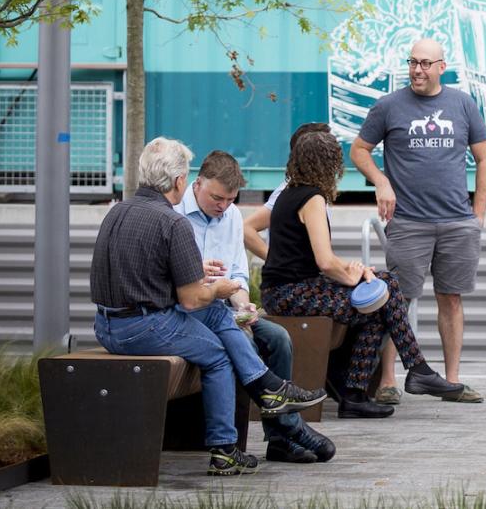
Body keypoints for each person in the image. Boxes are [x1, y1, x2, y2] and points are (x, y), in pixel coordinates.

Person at [91, 137, 323, 476]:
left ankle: (267, 388)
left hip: (107, 323)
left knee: (216, 314)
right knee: (218, 354)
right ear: (182, 181)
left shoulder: (118, 211)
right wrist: (221, 288)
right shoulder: (172, 222)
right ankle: (227, 446)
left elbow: (139, 270)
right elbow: (190, 299)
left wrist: (201, 278)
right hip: (141, 327)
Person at [262, 127, 462, 416]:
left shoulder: (290, 193)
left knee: (383, 290)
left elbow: (317, 259)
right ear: (329, 163)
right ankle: (411, 370)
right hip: (289, 294)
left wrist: (358, 270)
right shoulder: (312, 199)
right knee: (381, 300)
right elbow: (324, 262)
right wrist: (353, 277)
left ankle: (365, 391)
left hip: (290, 289)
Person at [350, 37, 486, 403]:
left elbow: (484, 157)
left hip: (457, 222)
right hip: (409, 221)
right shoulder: (388, 107)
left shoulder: (462, 103)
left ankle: (452, 381)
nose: (417, 69)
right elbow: (359, 150)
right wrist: (381, 181)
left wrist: (477, 213)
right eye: (413, 62)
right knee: (395, 299)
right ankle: (387, 381)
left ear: (442, 67)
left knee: (452, 298)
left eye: (426, 63)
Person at [179, 151, 335, 464]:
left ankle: (278, 439)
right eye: (217, 198)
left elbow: (237, 273)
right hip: (190, 309)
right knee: (245, 341)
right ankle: (288, 428)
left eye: (230, 199)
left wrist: (243, 304)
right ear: (197, 185)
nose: (222, 206)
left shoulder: (232, 216)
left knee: (277, 337)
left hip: (224, 307)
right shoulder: (175, 214)